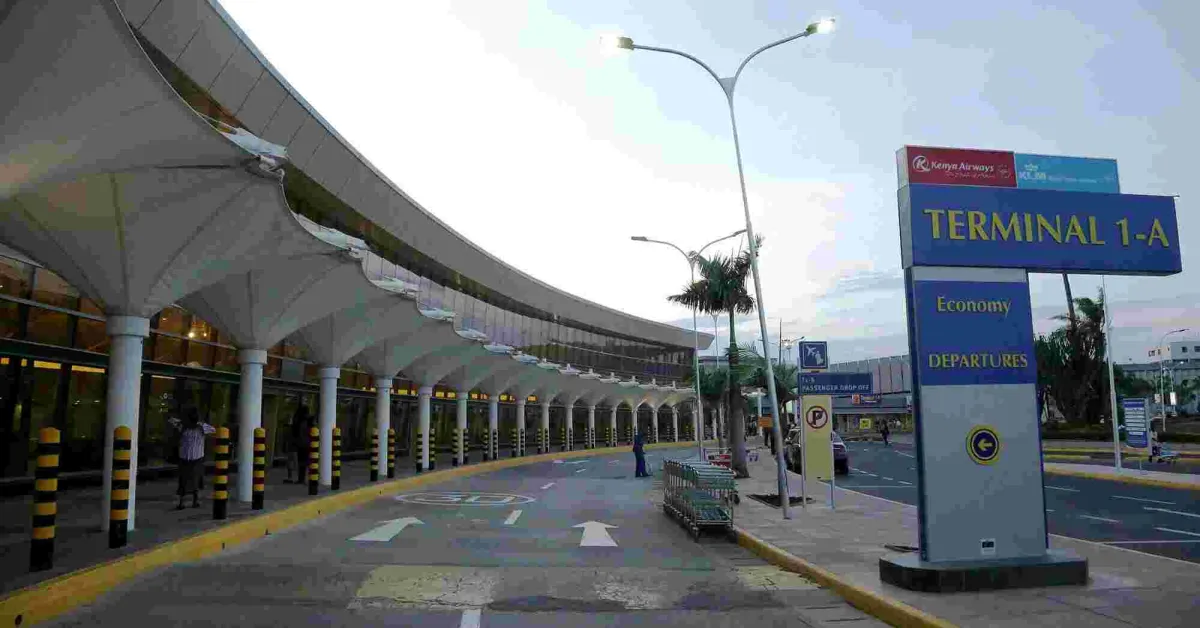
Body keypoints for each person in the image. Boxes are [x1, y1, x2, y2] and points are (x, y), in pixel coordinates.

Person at [168, 408, 215, 510]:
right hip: (185, 458)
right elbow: (171, 420)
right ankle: (182, 502)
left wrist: (200, 424)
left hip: (197, 458)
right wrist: (182, 422)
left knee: (195, 481)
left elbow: (213, 430)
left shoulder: (201, 428)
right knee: (183, 481)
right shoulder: (183, 426)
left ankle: (195, 501)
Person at [290, 406, 311, 483]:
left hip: (302, 444)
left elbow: (299, 433)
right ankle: (305, 479)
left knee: (302, 462)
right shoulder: (308, 421)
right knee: (306, 462)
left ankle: (301, 479)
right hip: (307, 443)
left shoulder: (299, 420)